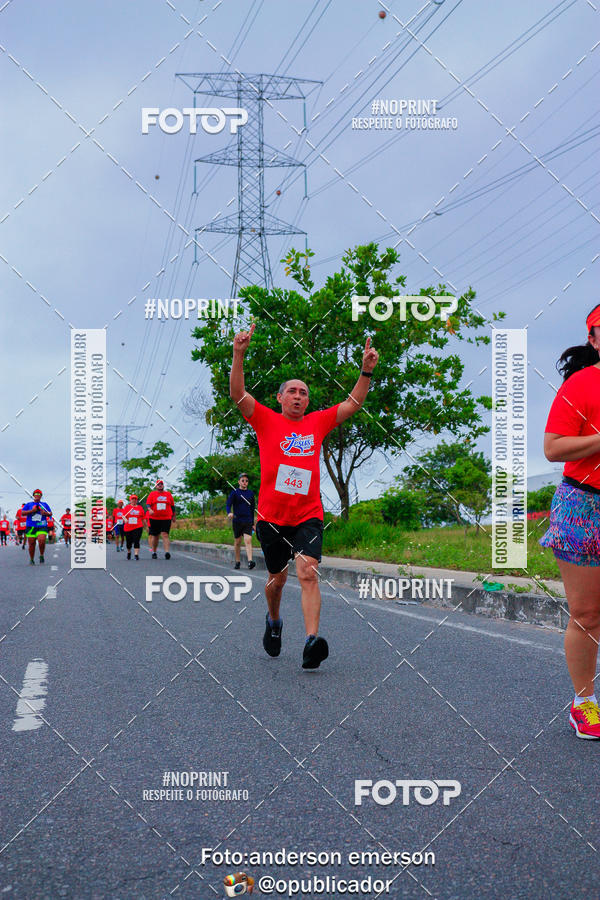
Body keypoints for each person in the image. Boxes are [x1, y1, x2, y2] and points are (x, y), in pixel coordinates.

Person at [230, 321, 379, 669]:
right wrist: (238, 354)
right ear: (280, 398)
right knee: (277, 580)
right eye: (292, 391)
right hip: (271, 517)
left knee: (308, 572)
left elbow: (353, 404)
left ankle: (312, 641)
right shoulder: (265, 419)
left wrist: (366, 371)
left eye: (304, 393)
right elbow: (238, 394)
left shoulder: (317, 423)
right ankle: (274, 621)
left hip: (308, 514)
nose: (299, 396)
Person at [540, 303, 600, 738]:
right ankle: (584, 703)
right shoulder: (581, 384)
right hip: (583, 505)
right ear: (593, 339)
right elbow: (553, 447)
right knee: (586, 613)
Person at [227, 473, 256, 569]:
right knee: (238, 541)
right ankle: (237, 561)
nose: (244, 482)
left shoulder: (250, 493)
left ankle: (250, 561)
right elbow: (228, 504)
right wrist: (229, 512)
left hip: (247, 520)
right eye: (242, 480)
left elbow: (252, 508)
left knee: (248, 540)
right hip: (237, 520)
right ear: (239, 482)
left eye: (246, 481)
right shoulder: (235, 492)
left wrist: (253, 523)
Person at [146, 479, 176, 559]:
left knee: (165, 534)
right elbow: (148, 504)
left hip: (166, 517)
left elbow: (172, 506)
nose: (160, 485)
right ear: (156, 486)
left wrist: (174, 516)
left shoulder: (168, 494)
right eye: (158, 484)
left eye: (161, 484)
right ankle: (154, 551)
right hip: (154, 518)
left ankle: (167, 552)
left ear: (163, 485)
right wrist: (150, 509)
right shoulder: (152, 494)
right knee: (156, 536)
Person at [22, 489, 52, 565]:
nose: (37, 495)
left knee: (41, 541)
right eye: (36, 494)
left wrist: (45, 513)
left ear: (41, 496)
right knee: (31, 543)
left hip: (42, 525)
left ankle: (41, 555)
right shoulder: (28, 504)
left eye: (39, 494)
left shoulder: (44, 504)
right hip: (31, 526)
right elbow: (23, 513)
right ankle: (32, 559)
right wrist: (32, 511)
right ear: (33, 496)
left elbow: (50, 513)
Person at [122, 494, 145, 560]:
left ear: (137, 500)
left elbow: (143, 517)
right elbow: (123, 516)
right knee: (129, 542)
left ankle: (136, 554)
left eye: (135, 499)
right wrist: (125, 520)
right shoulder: (127, 507)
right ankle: (129, 552)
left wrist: (145, 526)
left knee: (136, 540)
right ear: (130, 500)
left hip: (138, 526)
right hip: (128, 527)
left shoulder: (140, 508)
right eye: (132, 499)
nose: (134, 500)